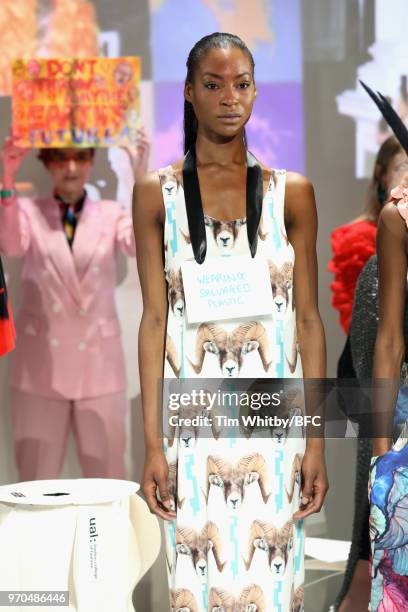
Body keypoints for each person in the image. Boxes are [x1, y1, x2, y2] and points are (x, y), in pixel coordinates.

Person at [133, 32, 328, 611]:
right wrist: (150, 444)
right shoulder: (156, 195)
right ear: (189, 92)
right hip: (191, 427)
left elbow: (310, 321)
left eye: (241, 84)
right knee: (195, 587)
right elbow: (152, 322)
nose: (229, 98)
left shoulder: (290, 194)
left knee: (272, 588)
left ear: (255, 92)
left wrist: (315, 441)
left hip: (275, 423)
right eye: (213, 85)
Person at [0, 130, 149, 481]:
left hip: (99, 366)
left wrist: (140, 174)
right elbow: (11, 245)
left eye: (79, 158)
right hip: (40, 369)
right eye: (60, 158)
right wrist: (6, 175)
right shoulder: (26, 211)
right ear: (47, 163)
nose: (70, 167)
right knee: (36, 483)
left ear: (90, 162)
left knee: (109, 480)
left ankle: (110, 540)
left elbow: (140, 244)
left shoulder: (112, 213)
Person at [333, 138, 408, 612]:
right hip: (393, 418)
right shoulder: (393, 224)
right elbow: (382, 346)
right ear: (382, 174)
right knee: (379, 567)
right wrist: (382, 459)